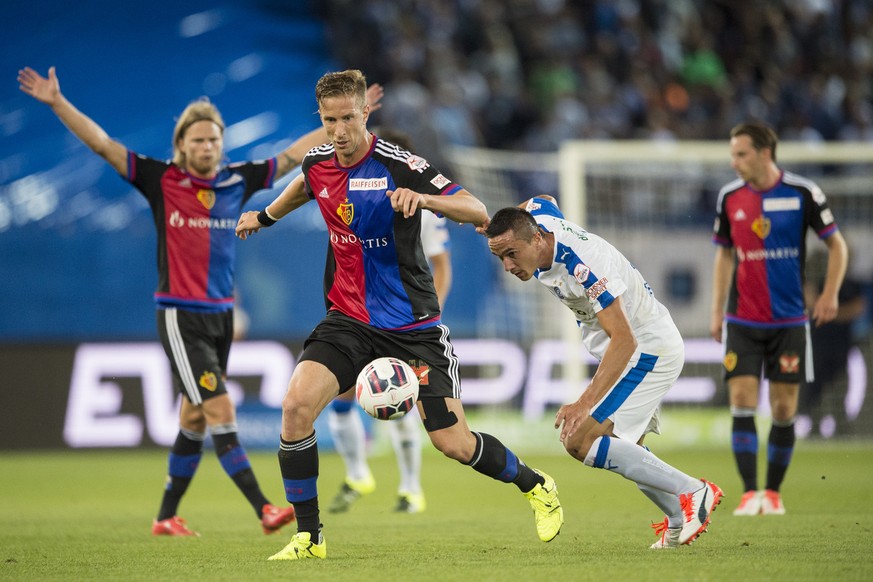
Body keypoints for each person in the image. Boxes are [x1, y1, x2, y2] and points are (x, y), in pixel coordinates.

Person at [17, 65, 381, 537]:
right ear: (181, 146)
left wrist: (352, 118)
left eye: (213, 140)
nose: (207, 147)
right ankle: (265, 508)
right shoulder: (160, 180)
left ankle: (166, 515)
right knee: (220, 408)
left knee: (193, 414)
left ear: (221, 143)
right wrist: (58, 103)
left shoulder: (236, 182)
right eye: (197, 141)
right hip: (179, 315)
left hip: (222, 318)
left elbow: (293, 157)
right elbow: (103, 145)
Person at [235, 69, 562, 561]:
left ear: (366, 113)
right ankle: (310, 537)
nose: (340, 130)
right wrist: (264, 216)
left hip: (413, 328)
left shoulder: (399, 164)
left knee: (452, 443)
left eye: (349, 118)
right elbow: (304, 186)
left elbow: (477, 211)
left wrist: (424, 199)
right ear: (321, 119)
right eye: (330, 120)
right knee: (296, 408)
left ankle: (536, 484)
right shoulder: (319, 162)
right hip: (347, 319)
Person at [483, 195, 723, 550]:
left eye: (511, 254)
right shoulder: (534, 221)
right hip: (633, 348)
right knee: (630, 449)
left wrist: (584, 402)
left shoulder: (582, 264)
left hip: (645, 350)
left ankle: (695, 492)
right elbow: (543, 200)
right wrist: (498, 228)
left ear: (536, 239)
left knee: (580, 440)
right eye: (499, 256)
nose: (506, 265)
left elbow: (623, 339)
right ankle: (677, 519)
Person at [710, 121, 848, 516]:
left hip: (789, 322)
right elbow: (723, 254)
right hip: (742, 320)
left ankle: (772, 493)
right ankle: (749, 492)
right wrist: (716, 309)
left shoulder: (803, 193)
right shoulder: (729, 198)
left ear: (765, 152)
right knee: (741, 400)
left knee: (785, 409)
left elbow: (836, 245)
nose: (735, 162)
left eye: (741, 154)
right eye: (733, 155)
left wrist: (830, 293)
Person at [326, 129, 452, 515]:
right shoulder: (350, 194)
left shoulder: (419, 206)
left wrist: (428, 321)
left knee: (397, 401)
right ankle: (357, 474)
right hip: (356, 315)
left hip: (401, 321)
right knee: (341, 400)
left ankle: (411, 488)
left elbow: (441, 266)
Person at [802, 248, 866, 438]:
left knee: (840, 387)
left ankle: (841, 427)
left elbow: (858, 308)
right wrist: (834, 311)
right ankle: (813, 426)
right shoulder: (819, 281)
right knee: (814, 387)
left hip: (841, 345)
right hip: (818, 343)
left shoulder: (851, 284)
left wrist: (830, 312)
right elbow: (810, 301)